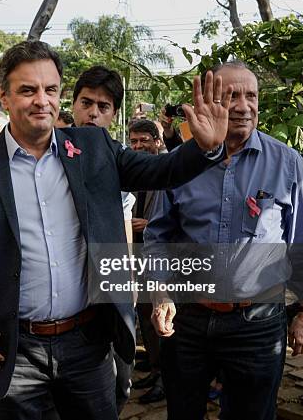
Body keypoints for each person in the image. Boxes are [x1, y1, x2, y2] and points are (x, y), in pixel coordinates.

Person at [0, 40, 231, 420]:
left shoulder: (93, 146)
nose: (42, 100)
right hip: (13, 348)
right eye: (28, 90)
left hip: (88, 344)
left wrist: (203, 147)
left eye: (50, 90)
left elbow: (160, 171)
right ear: (4, 97)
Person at [144, 61, 303, 420]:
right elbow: (158, 234)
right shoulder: (179, 163)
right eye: (231, 95)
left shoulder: (286, 162)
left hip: (257, 323)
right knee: (183, 412)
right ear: (210, 100)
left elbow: (302, 241)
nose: (243, 106)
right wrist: (160, 292)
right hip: (188, 320)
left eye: (251, 95)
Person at [71, 64, 135, 413]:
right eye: (86, 103)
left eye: (103, 107)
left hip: (108, 287)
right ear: (73, 103)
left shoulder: (118, 158)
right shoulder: (50, 152)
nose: (92, 113)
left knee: (119, 382)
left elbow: (123, 225)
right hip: (65, 297)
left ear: (113, 114)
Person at [127, 119, 166, 404]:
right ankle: (154, 367)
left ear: (157, 141)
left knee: (161, 315)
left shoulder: (168, 168)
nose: (138, 146)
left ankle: (166, 379)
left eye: (144, 140)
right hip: (138, 254)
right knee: (144, 312)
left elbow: (179, 216)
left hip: (162, 258)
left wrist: (149, 223)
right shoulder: (135, 170)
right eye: (134, 141)